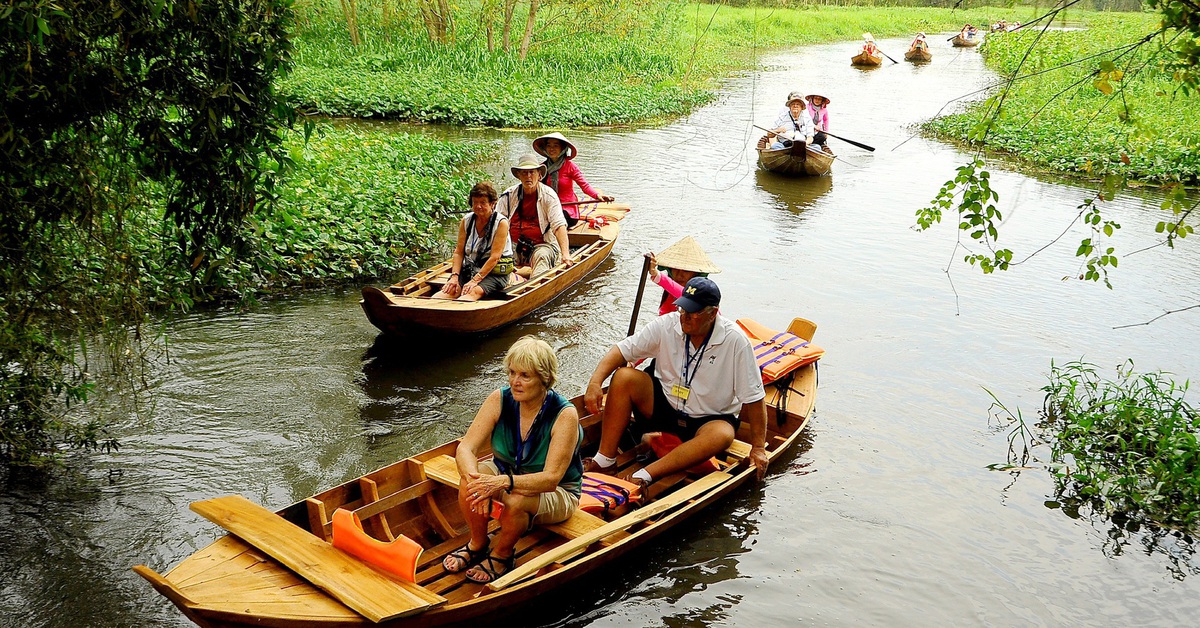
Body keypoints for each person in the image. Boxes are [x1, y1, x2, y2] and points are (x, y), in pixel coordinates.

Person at [582, 277, 770, 497]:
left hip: (708, 419)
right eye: (682, 309)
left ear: (713, 314)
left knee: (723, 435)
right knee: (624, 377)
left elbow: (755, 398)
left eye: (693, 312)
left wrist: (758, 448)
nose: (685, 317)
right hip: (666, 407)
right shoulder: (667, 324)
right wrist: (595, 383)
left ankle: (645, 475)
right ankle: (605, 459)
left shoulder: (736, 341)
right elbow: (621, 351)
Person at [441, 336, 583, 583]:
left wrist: (499, 484)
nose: (515, 382)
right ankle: (478, 543)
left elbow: (551, 479)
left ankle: (502, 554)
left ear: (544, 379)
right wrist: (477, 483)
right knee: (469, 481)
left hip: (558, 492)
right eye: (512, 372)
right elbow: (466, 448)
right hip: (506, 472)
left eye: (525, 376)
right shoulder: (500, 398)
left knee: (516, 499)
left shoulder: (564, 414)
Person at [496, 153, 575, 277]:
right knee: (495, 258)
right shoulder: (508, 195)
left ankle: (533, 289)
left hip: (542, 245)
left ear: (539, 175)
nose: (528, 176)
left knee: (542, 256)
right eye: (524, 173)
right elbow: (496, 224)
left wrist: (565, 254)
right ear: (518, 176)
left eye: (532, 172)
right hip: (513, 245)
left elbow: (559, 225)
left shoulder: (549, 196)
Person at [434, 182, 514, 301]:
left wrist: (475, 281)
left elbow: (495, 257)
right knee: (448, 290)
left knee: (472, 292)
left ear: (492, 204)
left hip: (494, 273)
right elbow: (459, 252)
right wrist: (454, 276)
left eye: (483, 202)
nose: (478, 206)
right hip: (470, 269)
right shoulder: (466, 221)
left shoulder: (501, 223)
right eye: (475, 202)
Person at [532, 132, 614, 227]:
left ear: (563, 149)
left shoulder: (570, 167)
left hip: (567, 209)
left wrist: (597, 195)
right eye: (548, 145)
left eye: (556, 145)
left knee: (556, 217)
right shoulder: (542, 168)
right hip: (548, 207)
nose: (551, 149)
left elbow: (584, 186)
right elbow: (534, 188)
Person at [647, 236, 721, 316]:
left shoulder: (703, 296)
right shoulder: (669, 296)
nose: (679, 275)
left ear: (695, 274)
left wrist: (656, 275)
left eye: (686, 271)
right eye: (675, 269)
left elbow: (684, 294)